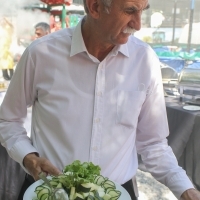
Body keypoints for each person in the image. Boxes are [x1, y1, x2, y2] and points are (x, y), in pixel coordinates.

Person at [0, 0, 200, 200]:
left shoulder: (144, 60)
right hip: (50, 191)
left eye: (142, 11)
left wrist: (185, 189)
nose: (138, 24)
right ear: (95, 7)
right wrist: (28, 157)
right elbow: (8, 120)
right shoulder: (41, 54)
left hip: (118, 193)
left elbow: (153, 143)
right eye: (130, 11)